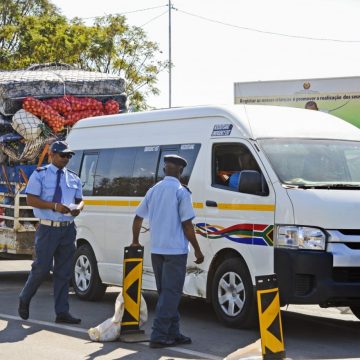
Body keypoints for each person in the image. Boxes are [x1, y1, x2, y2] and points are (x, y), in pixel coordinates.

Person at [131, 154, 204, 349]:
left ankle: (173, 332)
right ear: (181, 171)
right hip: (175, 252)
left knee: (166, 293)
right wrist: (198, 250)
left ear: (164, 170)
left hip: (157, 250)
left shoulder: (153, 190)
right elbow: (187, 225)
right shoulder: (181, 192)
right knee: (171, 294)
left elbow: (138, 217)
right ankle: (159, 335)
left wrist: (135, 241)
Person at [18, 141, 84, 324]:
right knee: (41, 268)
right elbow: (31, 199)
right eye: (62, 155)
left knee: (63, 273)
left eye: (68, 156)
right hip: (48, 228)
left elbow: (81, 200)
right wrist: (53, 206)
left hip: (67, 230)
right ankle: (25, 297)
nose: (66, 159)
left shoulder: (73, 178)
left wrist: (78, 208)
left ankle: (62, 312)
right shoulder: (40, 175)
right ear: (51, 155)